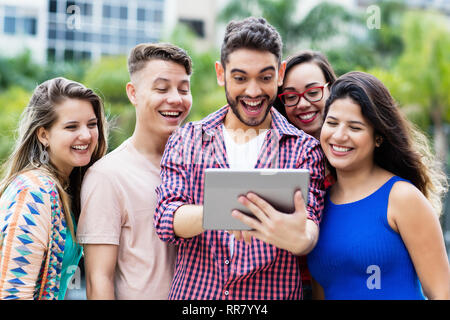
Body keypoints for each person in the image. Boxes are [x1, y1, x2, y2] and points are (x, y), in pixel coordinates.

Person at [154, 17, 325, 300]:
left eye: (265, 77)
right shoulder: (186, 139)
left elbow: (308, 228)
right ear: (221, 74)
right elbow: (166, 218)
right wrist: (225, 210)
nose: (254, 91)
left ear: (280, 74)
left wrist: (300, 238)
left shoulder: (303, 149)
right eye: (240, 78)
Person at [307, 71, 450, 299]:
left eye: (355, 127)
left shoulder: (402, 198)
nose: (339, 135)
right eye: (332, 123)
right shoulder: (317, 202)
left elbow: (442, 293)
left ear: (378, 137)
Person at [76, 43, 193, 299]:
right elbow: (99, 280)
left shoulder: (201, 165)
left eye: (184, 89)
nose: (175, 98)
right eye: (161, 88)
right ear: (133, 93)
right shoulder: (107, 176)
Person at [0, 77, 107, 300]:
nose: (86, 135)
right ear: (43, 135)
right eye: (71, 126)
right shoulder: (34, 192)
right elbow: (12, 294)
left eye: (91, 124)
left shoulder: (68, 189)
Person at [274, 50, 337, 299]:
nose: (302, 104)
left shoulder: (356, 154)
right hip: (291, 285)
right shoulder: (273, 154)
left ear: (331, 90)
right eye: (291, 96)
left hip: (345, 280)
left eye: (313, 92)